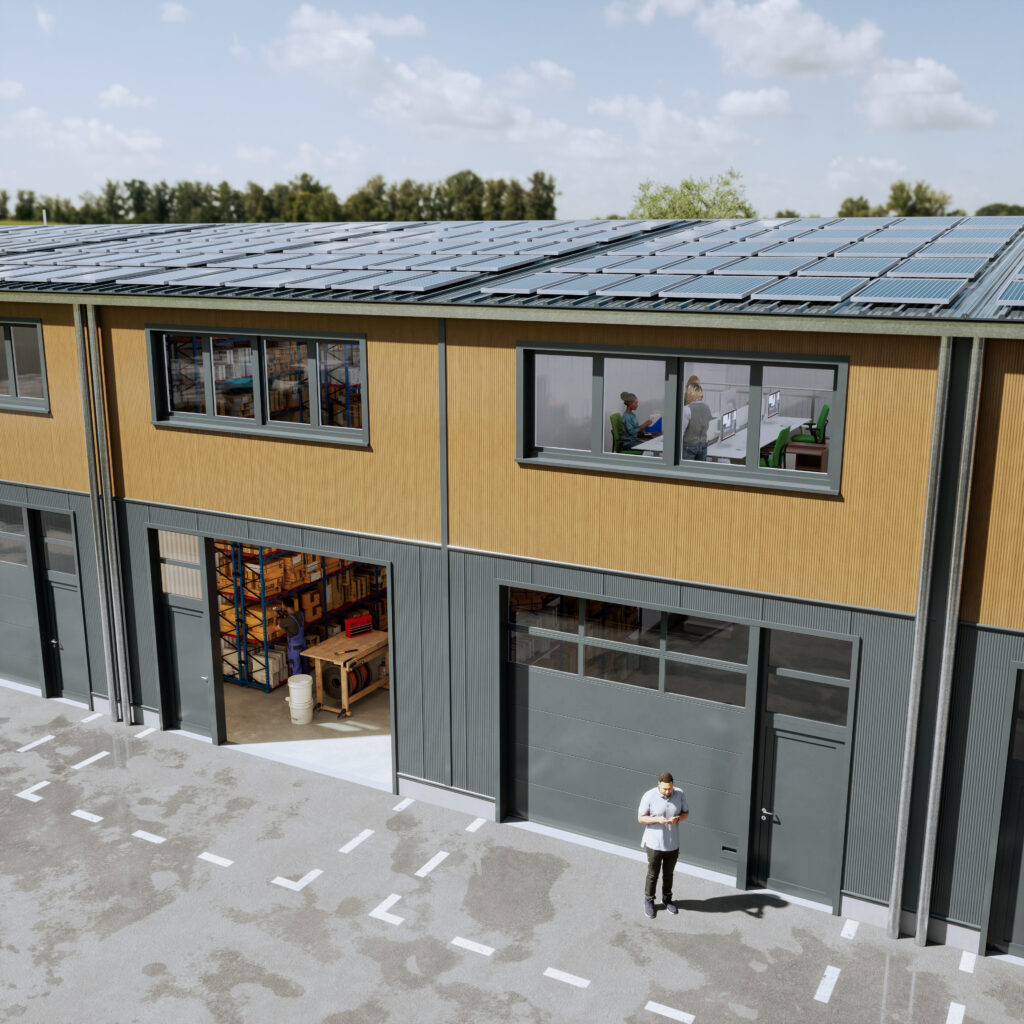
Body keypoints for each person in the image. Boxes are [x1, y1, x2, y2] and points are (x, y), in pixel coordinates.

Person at [638, 771, 689, 918]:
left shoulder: (680, 794)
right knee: (653, 874)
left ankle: (667, 899)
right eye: (665, 788)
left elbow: (686, 813)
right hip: (654, 844)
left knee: (668, 874)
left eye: (670, 788)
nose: (668, 791)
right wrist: (657, 820)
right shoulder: (649, 796)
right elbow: (641, 818)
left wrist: (677, 819)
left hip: (672, 844)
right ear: (658, 784)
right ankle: (649, 900)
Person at [274, 596, 307, 676]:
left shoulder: (287, 621)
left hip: (295, 648)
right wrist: (284, 616)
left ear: (285, 606)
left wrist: (275, 617)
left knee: (296, 669)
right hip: (303, 643)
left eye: (282, 604)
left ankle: (298, 684)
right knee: (305, 666)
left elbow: (275, 628)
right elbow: (293, 620)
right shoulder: (301, 614)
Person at [681, 380, 712, 461]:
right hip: (703, 445)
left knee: (687, 468)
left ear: (689, 394)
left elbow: (681, 431)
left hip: (689, 446)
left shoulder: (686, 409)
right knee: (700, 468)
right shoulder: (707, 407)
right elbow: (707, 422)